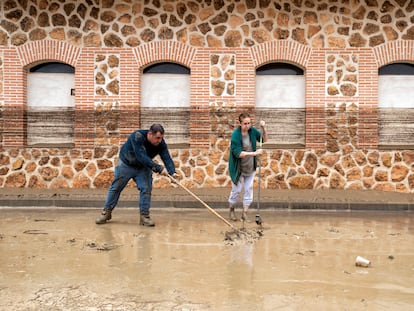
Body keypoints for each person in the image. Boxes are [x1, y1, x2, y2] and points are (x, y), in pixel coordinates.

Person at [95, 123, 178, 226]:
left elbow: (166, 157)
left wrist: (172, 172)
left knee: (146, 189)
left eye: (161, 138)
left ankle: (144, 217)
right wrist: (158, 168)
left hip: (143, 167)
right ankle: (106, 213)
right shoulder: (137, 136)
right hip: (126, 164)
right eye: (157, 138)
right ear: (150, 134)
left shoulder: (160, 143)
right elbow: (141, 156)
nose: (159, 141)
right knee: (116, 188)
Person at [228, 113, 267, 222]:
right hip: (238, 169)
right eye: (245, 123)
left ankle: (244, 213)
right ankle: (231, 209)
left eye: (249, 123)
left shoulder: (252, 131)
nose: (247, 126)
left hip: (250, 167)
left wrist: (264, 128)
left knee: (249, 189)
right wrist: (255, 153)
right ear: (240, 124)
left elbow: (263, 140)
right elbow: (238, 153)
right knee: (237, 190)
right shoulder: (236, 135)